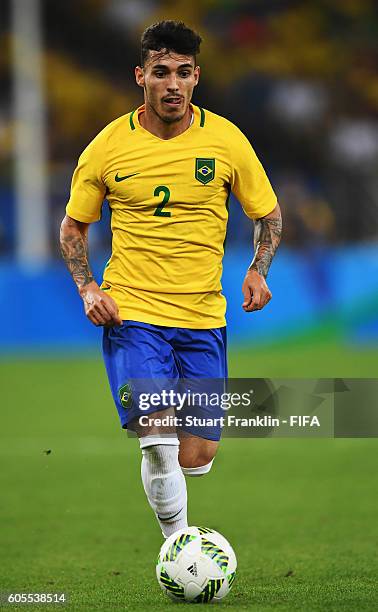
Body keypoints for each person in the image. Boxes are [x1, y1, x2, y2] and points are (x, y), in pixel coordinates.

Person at [60, 20, 282, 539]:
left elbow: (268, 216)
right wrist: (88, 288)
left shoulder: (226, 140)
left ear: (196, 77)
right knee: (157, 440)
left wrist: (257, 268)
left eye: (183, 73)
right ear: (141, 76)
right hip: (133, 314)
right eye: (161, 73)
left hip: (203, 317)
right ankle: (179, 550)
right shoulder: (108, 147)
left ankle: (173, 511)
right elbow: (74, 228)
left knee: (195, 455)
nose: (173, 84)